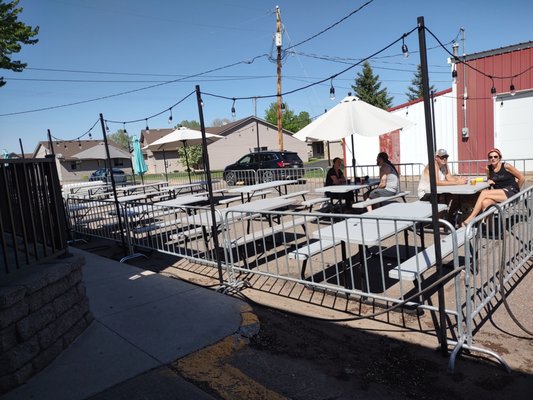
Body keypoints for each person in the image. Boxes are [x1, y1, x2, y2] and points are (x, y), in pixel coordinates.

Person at [462, 148, 525, 226]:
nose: (493, 158)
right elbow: (489, 179)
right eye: (490, 157)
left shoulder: (506, 166)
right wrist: (489, 181)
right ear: (488, 159)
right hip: (499, 193)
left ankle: (471, 217)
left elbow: (522, 178)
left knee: (484, 193)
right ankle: (490, 230)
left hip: (511, 191)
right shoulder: (488, 168)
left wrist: (516, 190)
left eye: (495, 156)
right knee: (485, 203)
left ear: (499, 158)